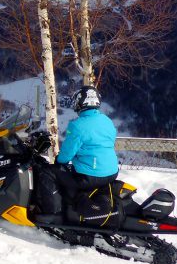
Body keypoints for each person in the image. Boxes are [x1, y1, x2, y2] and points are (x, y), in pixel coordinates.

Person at [37, 85, 119, 217]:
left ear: (80, 103)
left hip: (90, 176)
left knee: (48, 172)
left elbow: (67, 154)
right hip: (112, 172)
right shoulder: (107, 121)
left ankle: (52, 213)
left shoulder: (77, 126)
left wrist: (58, 161)